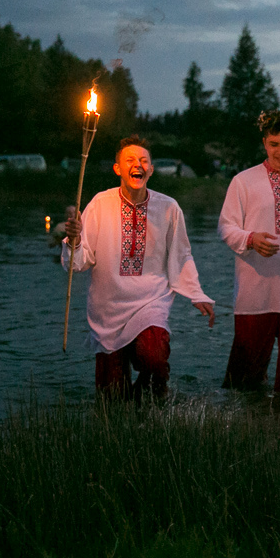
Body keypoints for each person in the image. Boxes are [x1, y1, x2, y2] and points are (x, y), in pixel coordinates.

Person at [63, 136, 215, 401]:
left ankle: (154, 405)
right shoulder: (100, 204)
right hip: (108, 307)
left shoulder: (169, 208)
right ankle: (128, 407)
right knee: (111, 398)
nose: (138, 165)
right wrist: (74, 240)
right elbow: (80, 261)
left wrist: (196, 293)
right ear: (118, 169)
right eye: (130, 160)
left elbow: (181, 254)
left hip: (151, 301)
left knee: (154, 358)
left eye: (144, 161)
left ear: (151, 170)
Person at [217, 110, 280, 392]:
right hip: (255, 293)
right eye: (274, 144)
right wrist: (250, 239)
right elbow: (226, 227)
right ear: (265, 143)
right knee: (245, 381)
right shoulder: (243, 181)